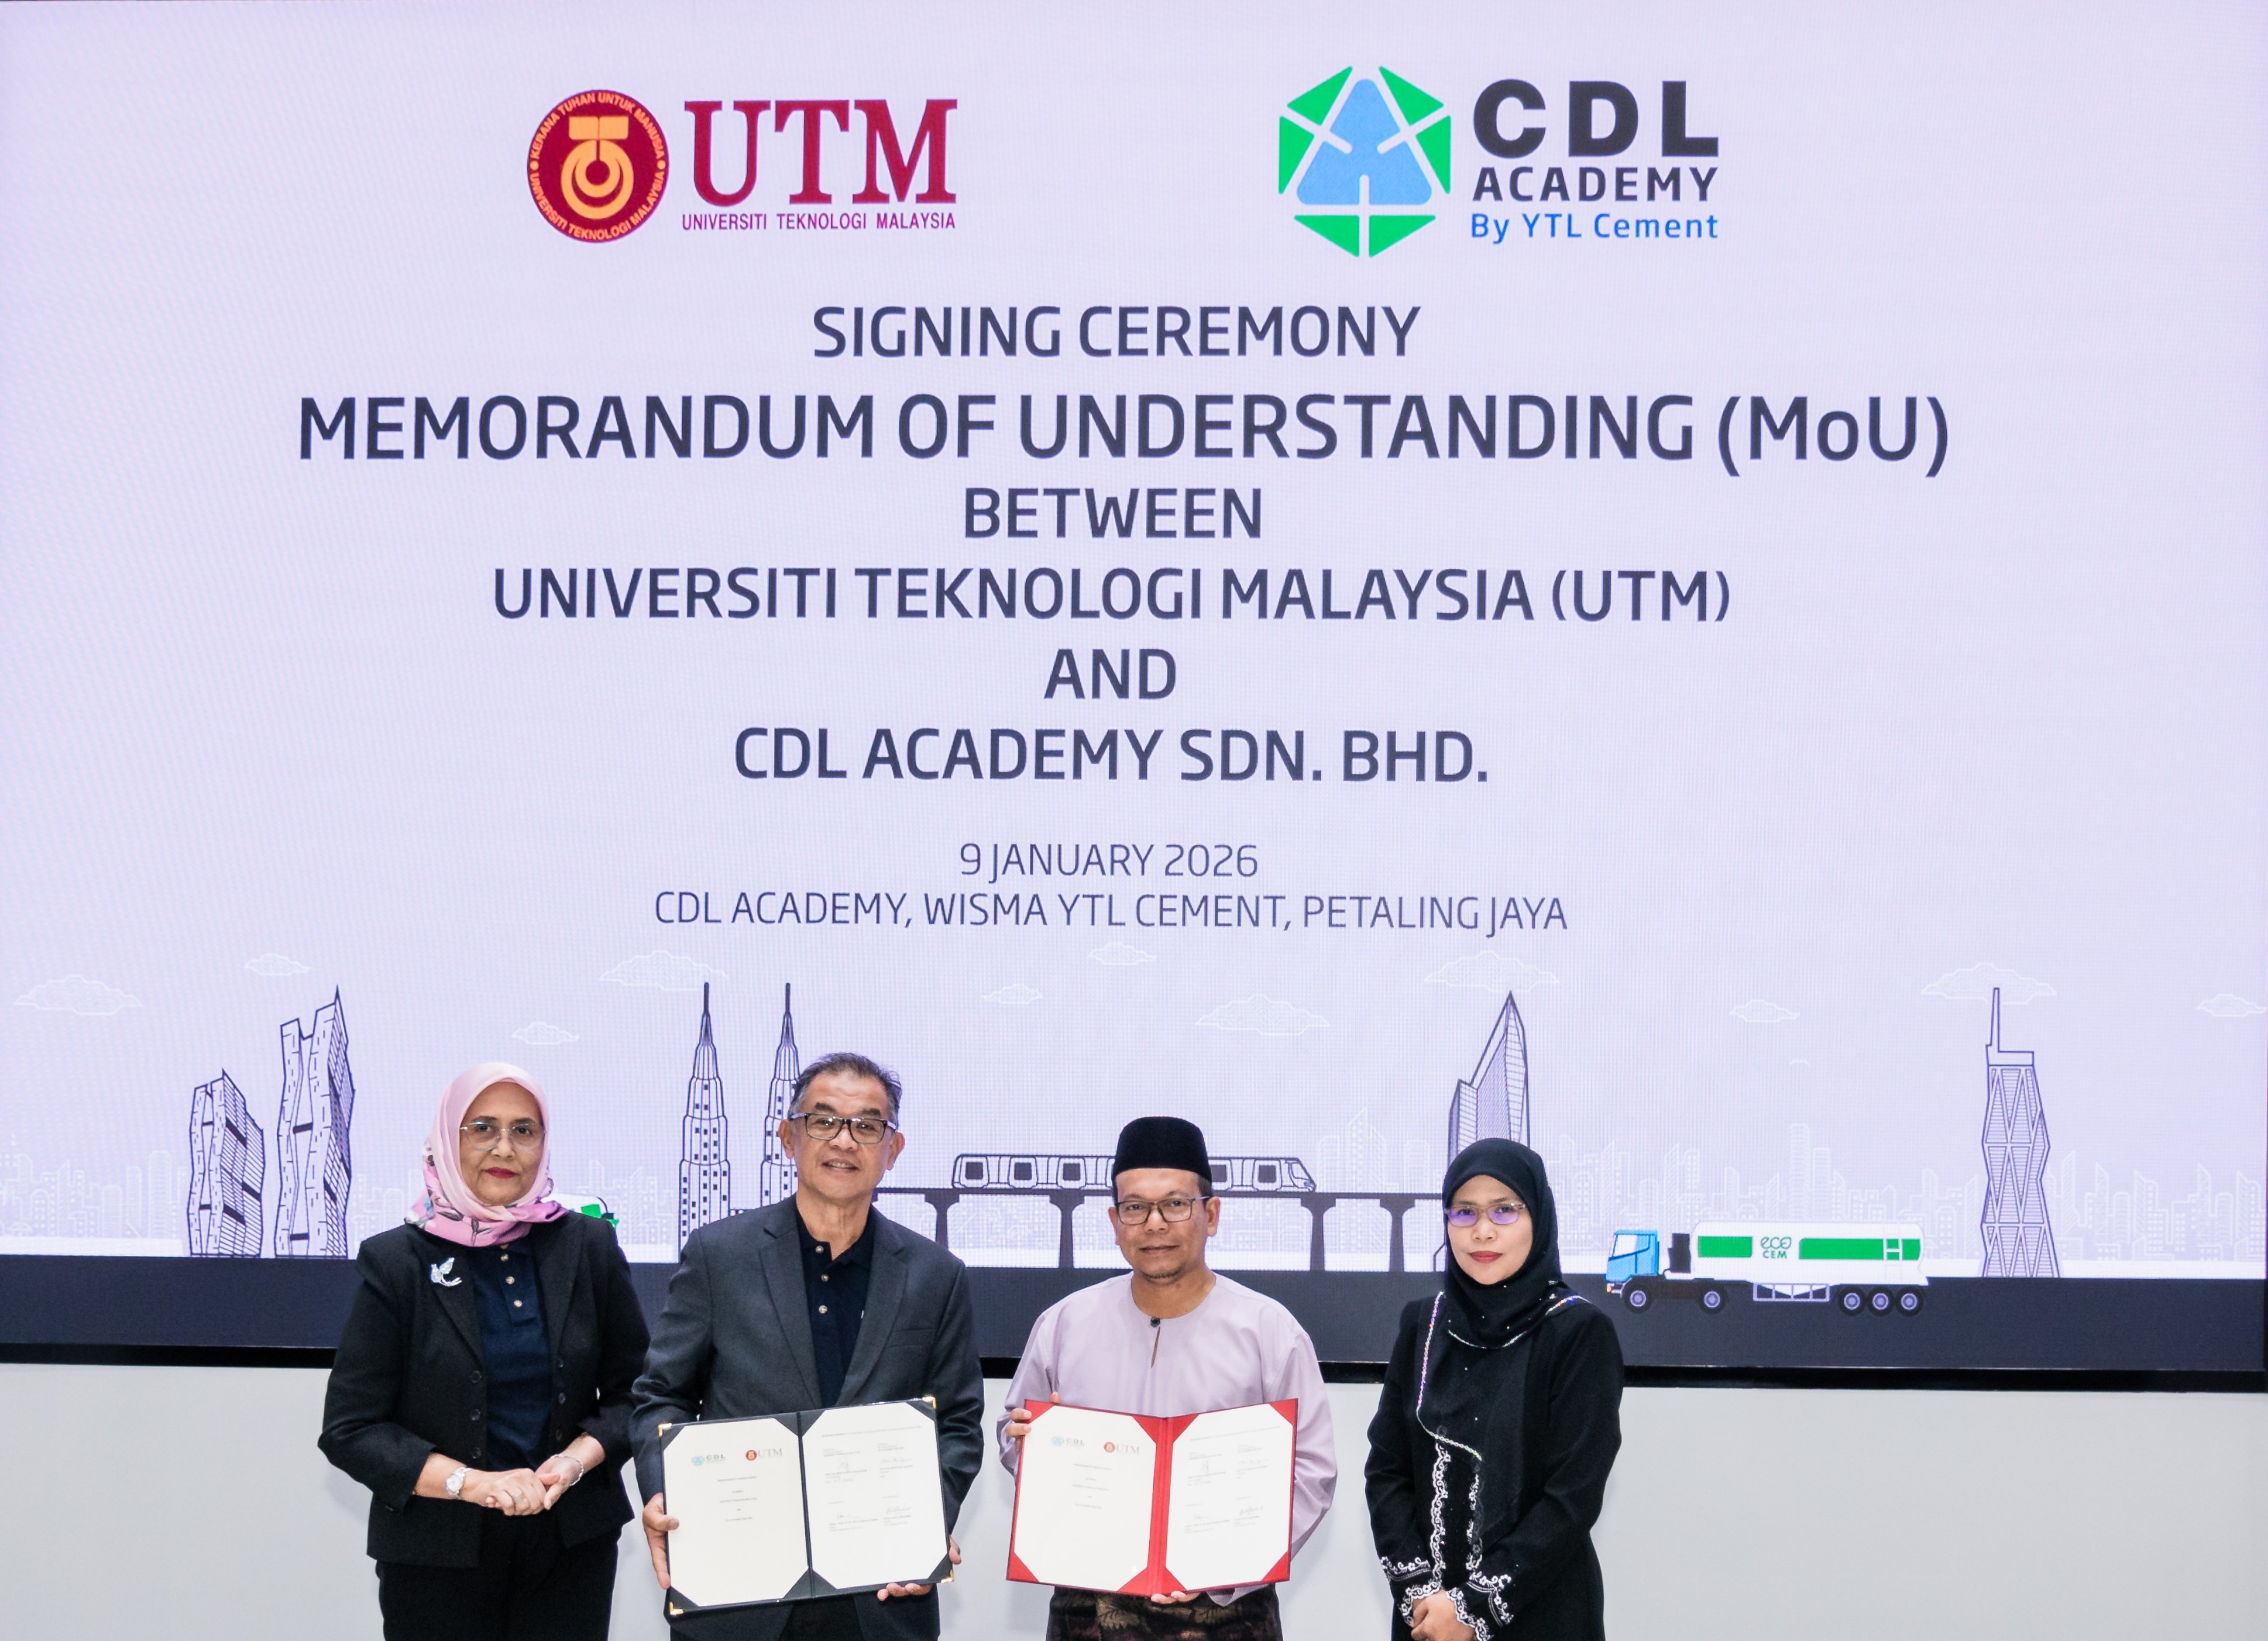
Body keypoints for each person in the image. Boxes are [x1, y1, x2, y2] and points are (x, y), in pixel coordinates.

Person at [634, 1052, 985, 1641]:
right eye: (823, 1120)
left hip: (879, 1602)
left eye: (867, 1125)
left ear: (892, 1149)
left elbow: (957, 1424)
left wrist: (924, 1526)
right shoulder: (720, 1255)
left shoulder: (936, 1274)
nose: (844, 1140)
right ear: (787, 1136)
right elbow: (660, 1396)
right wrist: (665, 1489)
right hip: (738, 1599)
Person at [320, 1062, 651, 1641]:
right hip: (436, 1555)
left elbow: (636, 1394)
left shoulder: (588, 1245)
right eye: (482, 1127)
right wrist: (470, 1482)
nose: (505, 1147)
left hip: (571, 1548)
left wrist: (577, 1459)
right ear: (449, 1138)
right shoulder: (396, 1260)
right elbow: (351, 1428)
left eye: (525, 1129)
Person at [1000, 1115, 1336, 1641]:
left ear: (1212, 1214)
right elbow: (1014, 1435)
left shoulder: (1270, 1331)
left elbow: (1312, 1470)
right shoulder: (1064, 1323)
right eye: (1135, 1207)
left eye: (1176, 1204)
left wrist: (1229, 1564)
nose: (1154, 1223)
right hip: (1090, 1608)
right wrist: (1025, 1442)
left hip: (1226, 1611)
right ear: (1115, 1222)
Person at [1363, 1139, 1623, 1641]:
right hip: (1427, 1622)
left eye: (1505, 1210)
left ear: (1538, 1219)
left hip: (1540, 1612)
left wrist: (1473, 1608)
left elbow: (1572, 1497)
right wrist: (1422, 1594)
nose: (1482, 1230)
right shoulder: (1422, 1323)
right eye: (1464, 1212)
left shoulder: (1577, 1333)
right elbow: (1387, 1470)